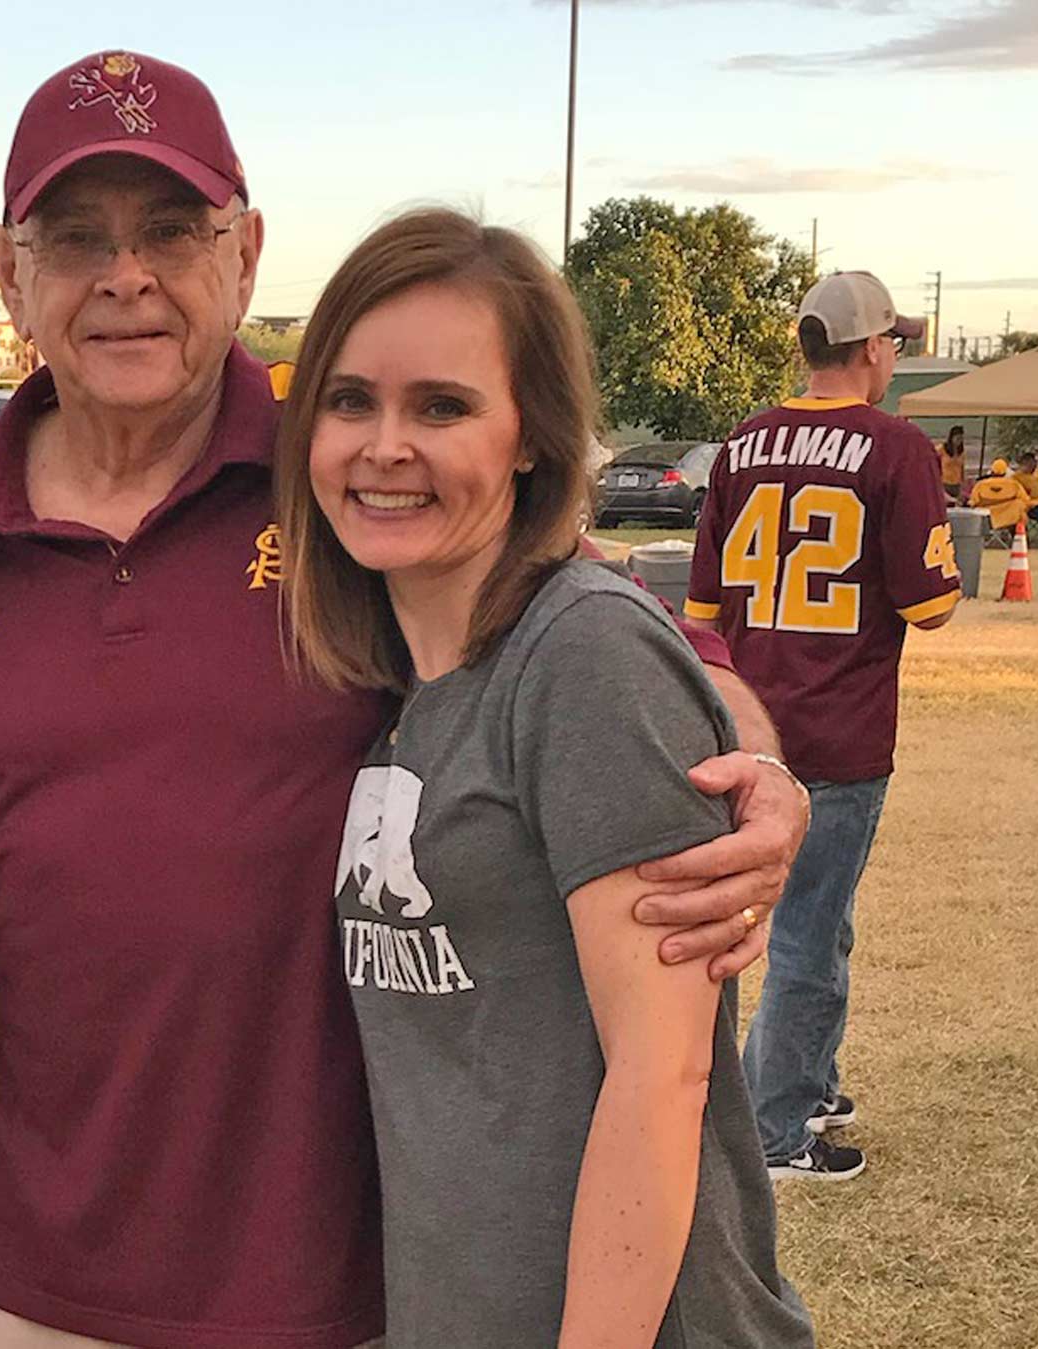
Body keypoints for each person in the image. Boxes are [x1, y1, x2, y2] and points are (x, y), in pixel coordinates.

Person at [0, 51, 815, 1349]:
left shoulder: (349, 490)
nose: (126, 276)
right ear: (9, 274)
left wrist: (756, 768)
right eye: (76, 239)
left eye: (171, 232)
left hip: (339, 1273)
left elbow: (580, 623)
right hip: (31, 1273)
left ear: (244, 256)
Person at [284, 207, 813, 1346]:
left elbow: (660, 1077)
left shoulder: (578, 654)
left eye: (442, 405)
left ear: (529, 435)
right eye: (349, 400)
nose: (385, 445)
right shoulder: (398, 678)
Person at [686, 270, 962, 1182]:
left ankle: (799, 1078)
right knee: (809, 930)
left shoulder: (742, 441)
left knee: (783, 926)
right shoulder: (895, 447)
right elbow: (932, 605)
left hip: (744, 724)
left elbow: (702, 602)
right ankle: (774, 1128)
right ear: (874, 348)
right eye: (895, 345)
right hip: (839, 729)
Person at [966, 457, 1038, 538]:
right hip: (1010, 520)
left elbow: (972, 502)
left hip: (987, 521)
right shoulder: (1014, 485)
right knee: (1019, 505)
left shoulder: (980, 485)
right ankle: (1019, 540)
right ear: (1005, 472)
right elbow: (1026, 500)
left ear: (992, 471)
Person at [1011, 453, 1038, 521]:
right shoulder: (1016, 477)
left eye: (1029, 463)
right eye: (1023, 464)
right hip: (1028, 505)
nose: (1025, 466)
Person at [939, 426, 969, 504]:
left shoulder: (961, 452)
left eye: (961, 439)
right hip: (944, 483)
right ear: (952, 438)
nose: (959, 441)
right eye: (957, 438)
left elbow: (962, 468)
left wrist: (963, 485)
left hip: (957, 485)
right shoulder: (942, 449)